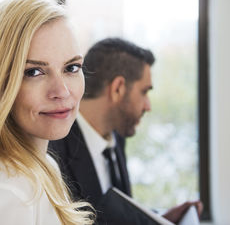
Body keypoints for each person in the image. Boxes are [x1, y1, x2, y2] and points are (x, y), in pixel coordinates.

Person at [0, 0, 95, 225]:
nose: (62, 91)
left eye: (71, 67)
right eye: (34, 72)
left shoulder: (44, 166)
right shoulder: (5, 190)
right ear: (0, 84)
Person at [49, 37, 203, 224]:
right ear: (118, 89)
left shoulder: (117, 137)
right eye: (144, 92)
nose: (148, 106)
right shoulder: (54, 151)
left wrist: (159, 219)